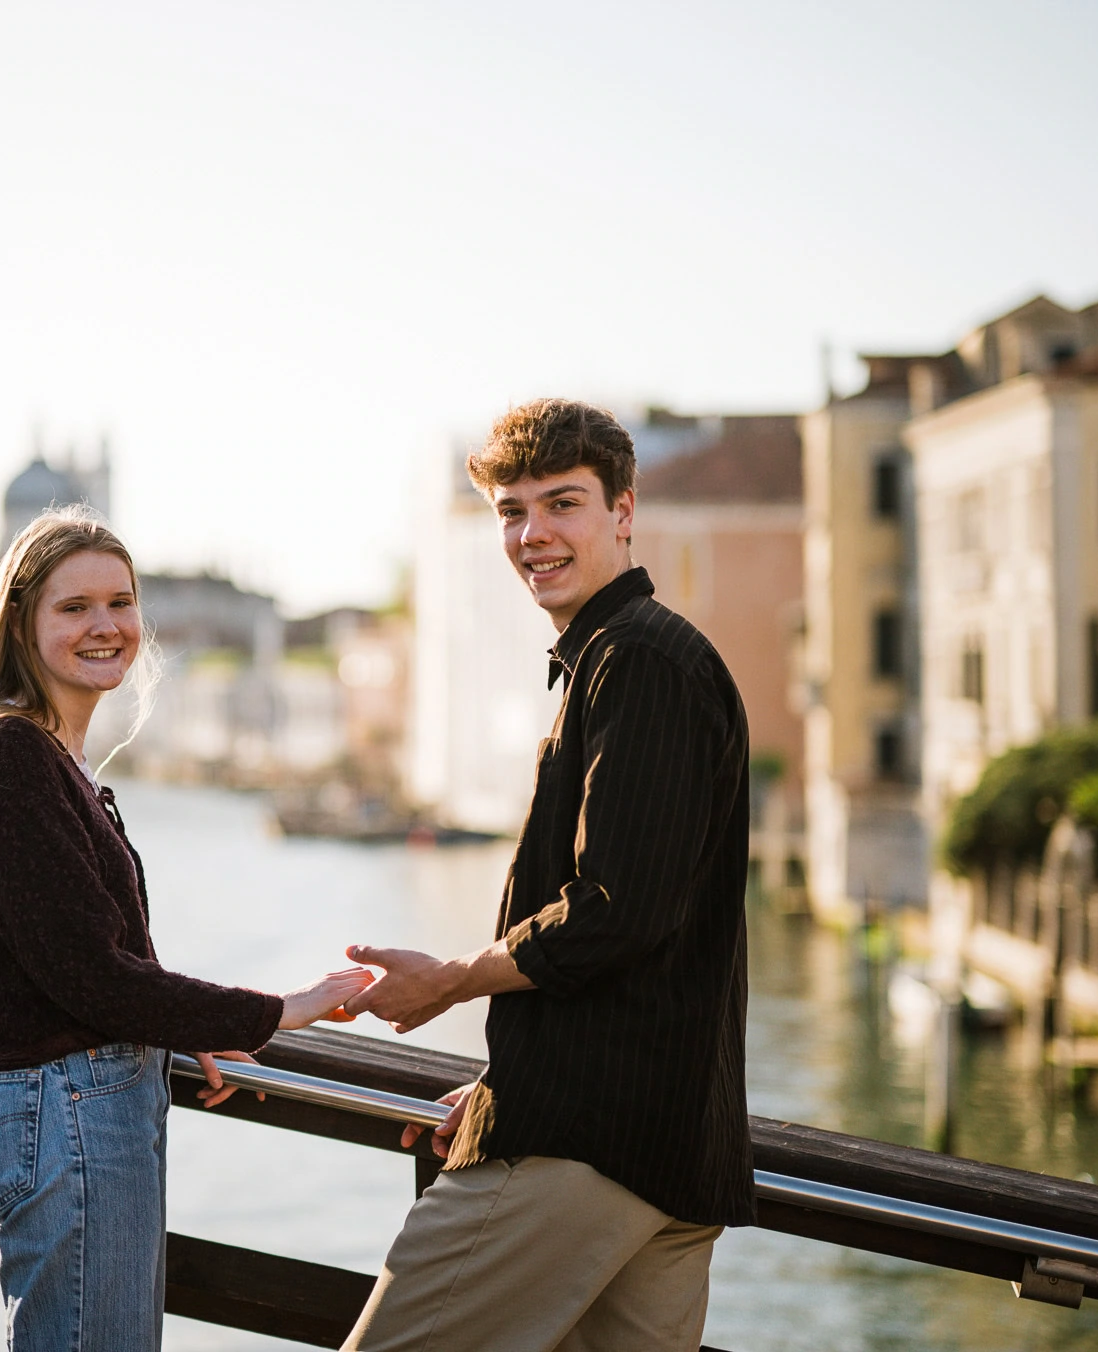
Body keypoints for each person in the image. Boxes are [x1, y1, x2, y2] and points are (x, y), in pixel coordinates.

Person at [341, 400, 755, 1351]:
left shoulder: (638, 662)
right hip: (668, 1154)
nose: (532, 535)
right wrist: (505, 1074)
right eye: (510, 512)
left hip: (585, 1143)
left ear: (623, 511)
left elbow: (612, 915)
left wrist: (448, 982)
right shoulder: (626, 659)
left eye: (561, 504)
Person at [0, 506, 370, 1352]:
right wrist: (278, 1011)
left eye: (120, 603)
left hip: (69, 1100)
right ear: (21, 622)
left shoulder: (49, 758)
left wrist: (174, 1031)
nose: (107, 626)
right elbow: (88, 974)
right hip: (68, 1106)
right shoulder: (10, 757)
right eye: (75, 607)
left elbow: (83, 959)